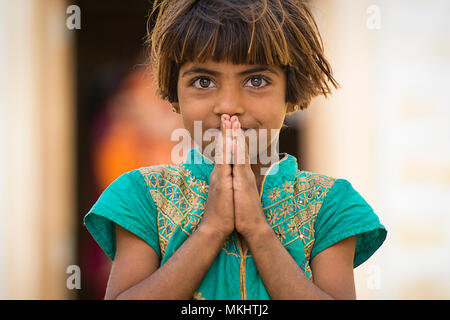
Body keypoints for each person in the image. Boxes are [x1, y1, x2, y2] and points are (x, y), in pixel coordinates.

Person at [84, 0, 387, 300]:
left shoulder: (330, 205)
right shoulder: (142, 197)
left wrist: (257, 229)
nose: (228, 105)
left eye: (256, 80)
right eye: (203, 81)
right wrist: (211, 229)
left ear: (291, 94)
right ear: (175, 94)